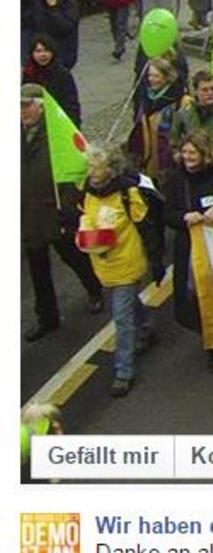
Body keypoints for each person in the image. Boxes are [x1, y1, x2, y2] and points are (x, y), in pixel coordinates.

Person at [21, 84, 103, 340]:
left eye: (26, 105)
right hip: (28, 214)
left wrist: (66, 208)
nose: (22, 111)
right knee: (38, 270)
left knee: (73, 257)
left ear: (41, 107)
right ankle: (47, 317)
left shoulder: (58, 137)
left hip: (54, 212)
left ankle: (94, 288)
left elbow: (81, 171)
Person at [74, 144, 153, 397]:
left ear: (110, 169)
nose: (93, 173)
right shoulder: (88, 193)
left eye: (97, 168)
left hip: (126, 261)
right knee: (128, 306)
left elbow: (143, 220)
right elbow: (87, 217)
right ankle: (146, 327)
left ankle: (123, 372)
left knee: (121, 317)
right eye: (90, 168)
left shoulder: (127, 193)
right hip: (103, 262)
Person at [162, 130, 213, 371]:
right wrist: (183, 216)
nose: (187, 157)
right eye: (185, 152)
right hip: (188, 247)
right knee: (192, 296)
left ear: (204, 153)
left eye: (192, 152)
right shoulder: (176, 179)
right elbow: (166, 214)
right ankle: (209, 337)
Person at [128, 57, 185, 183]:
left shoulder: (179, 102)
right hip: (149, 160)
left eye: (156, 76)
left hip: (168, 161)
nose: (151, 80)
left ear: (166, 77)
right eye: (150, 76)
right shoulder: (147, 98)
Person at [23, 34, 81, 125]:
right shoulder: (27, 73)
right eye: (38, 51)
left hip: (56, 121)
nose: (43, 55)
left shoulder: (62, 74)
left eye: (46, 50)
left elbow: (71, 103)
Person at [34, 0, 80, 70]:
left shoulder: (69, 4)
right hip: (44, 55)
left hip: (65, 54)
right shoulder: (39, 5)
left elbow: (65, 27)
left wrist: (53, 9)